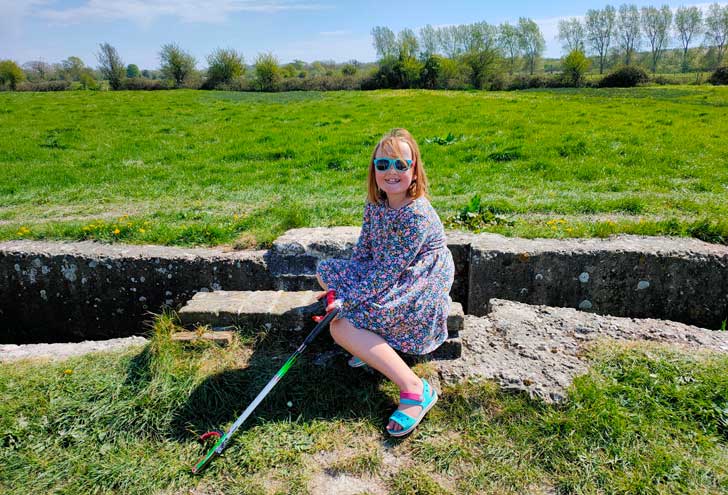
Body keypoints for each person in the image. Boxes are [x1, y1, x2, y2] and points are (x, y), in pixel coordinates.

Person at [315, 128, 455, 437]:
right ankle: (369, 341)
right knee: (326, 271)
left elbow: (388, 273)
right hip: (385, 272)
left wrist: (347, 301)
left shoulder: (416, 214)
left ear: (414, 170)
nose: (391, 172)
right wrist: (345, 291)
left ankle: (416, 391)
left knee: (341, 326)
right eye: (382, 165)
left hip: (419, 277)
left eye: (400, 165)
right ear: (374, 171)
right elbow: (363, 254)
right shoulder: (375, 205)